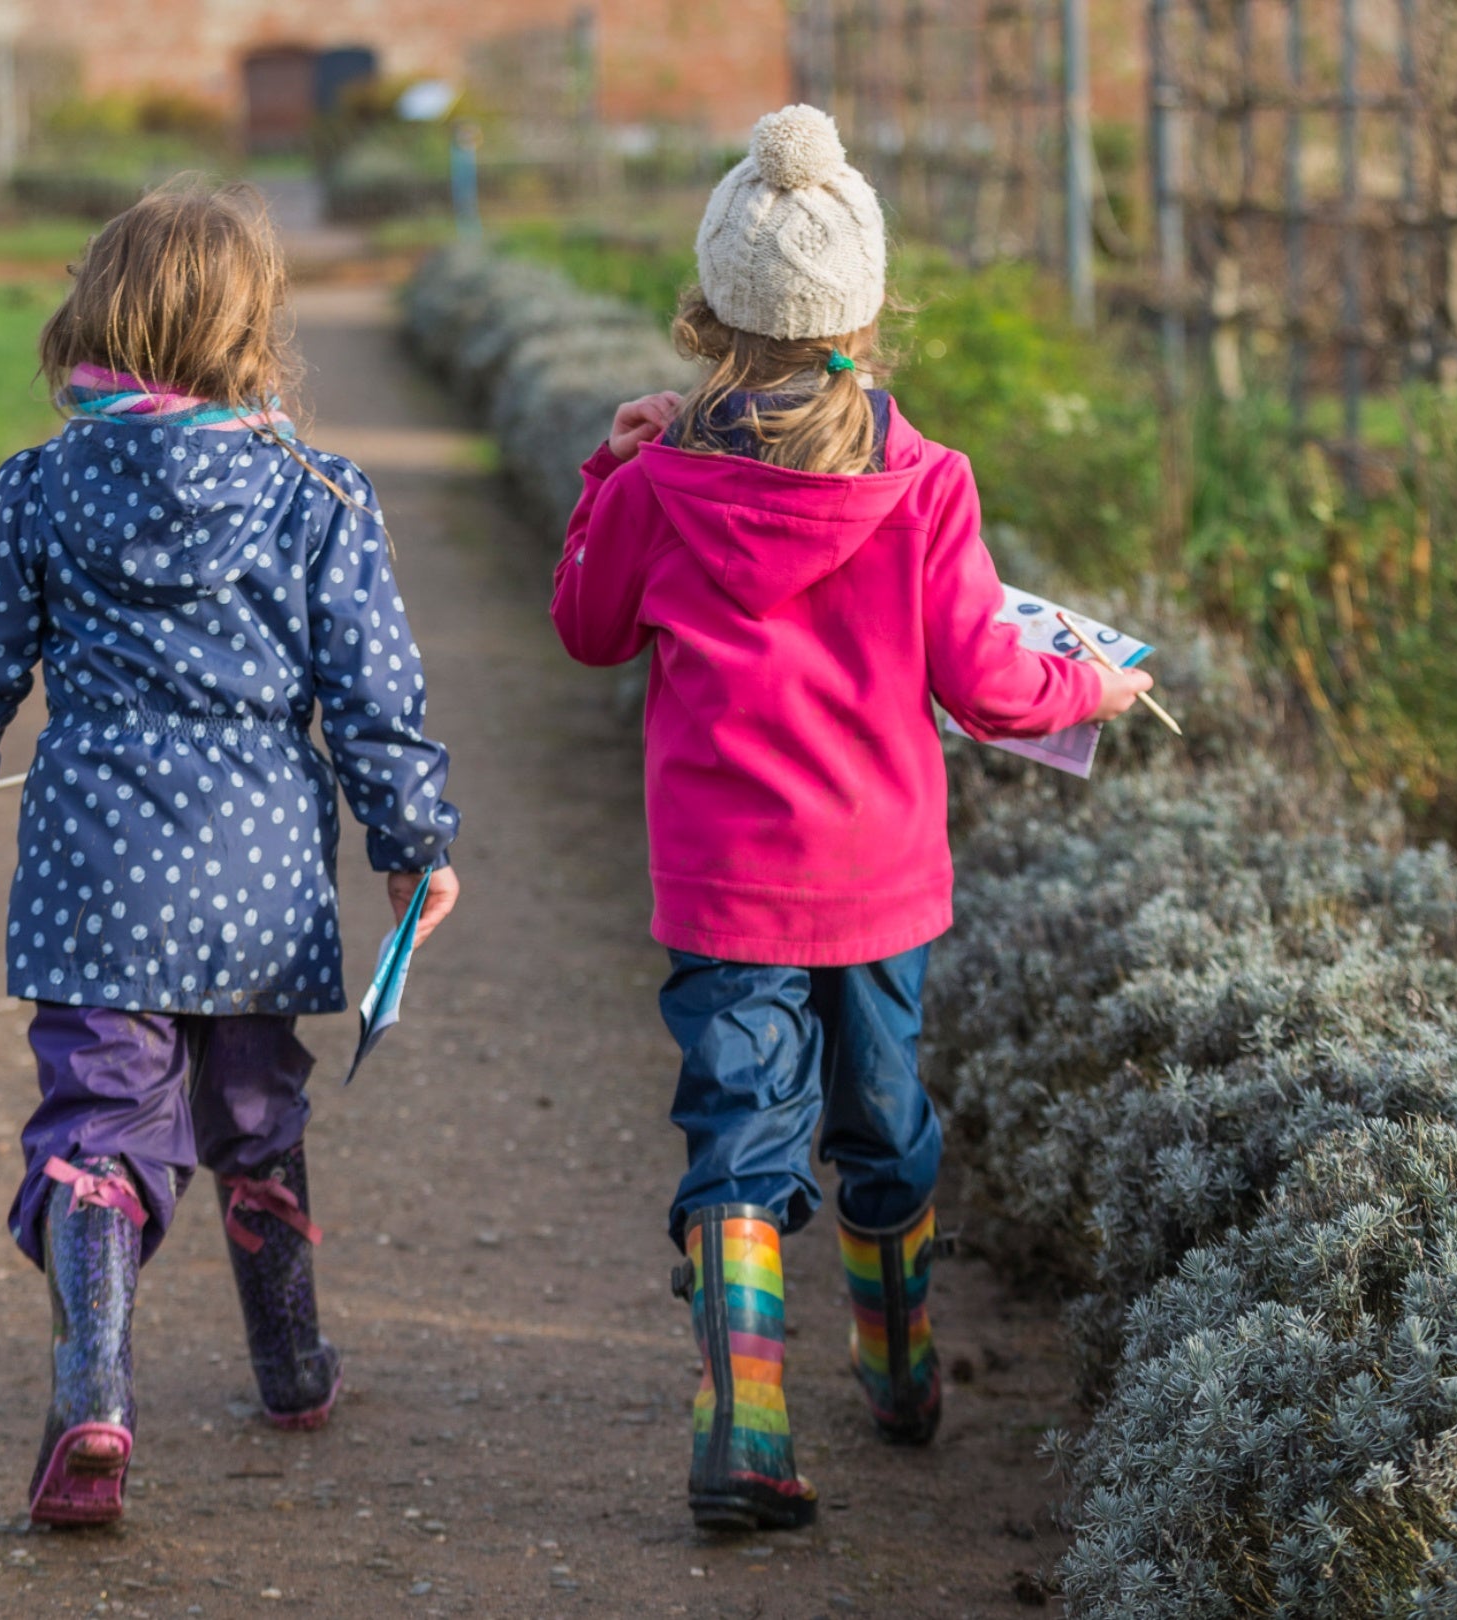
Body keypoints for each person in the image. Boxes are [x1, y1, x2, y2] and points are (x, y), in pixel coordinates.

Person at [549, 105, 1152, 1534]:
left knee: (739, 1141)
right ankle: (896, 1359)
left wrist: (603, 471)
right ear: (865, 312)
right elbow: (990, 683)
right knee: (886, 1126)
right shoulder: (924, 487)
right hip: (881, 882)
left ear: (714, 310)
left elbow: (584, 628)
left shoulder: (656, 481)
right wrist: (1095, 688)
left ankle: (744, 1428)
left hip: (723, 892)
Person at [0, 184, 461, 1529]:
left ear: (96, 312)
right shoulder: (317, 491)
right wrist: (413, 840)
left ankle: (94, 1386)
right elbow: (377, 693)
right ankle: (292, 1364)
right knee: (257, 1113)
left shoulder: (38, 487)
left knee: (99, 1125)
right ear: (256, 333)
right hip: (262, 879)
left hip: (98, 872)